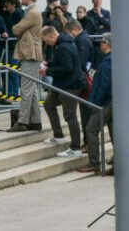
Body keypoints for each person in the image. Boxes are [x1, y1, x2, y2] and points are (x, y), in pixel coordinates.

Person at [40, 26, 85, 157]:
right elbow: (60, 62)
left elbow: (67, 68)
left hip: (70, 85)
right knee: (48, 104)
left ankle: (75, 148)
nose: (46, 43)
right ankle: (58, 135)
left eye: (46, 40)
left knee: (70, 115)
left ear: (51, 36)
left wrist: (47, 71)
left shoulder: (63, 47)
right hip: (61, 84)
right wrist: (48, 63)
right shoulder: (63, 44)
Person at [8, 0, 44, 132]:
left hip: (30, 54)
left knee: (26, 89)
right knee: (32, 89)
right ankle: (35, 121)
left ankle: (22, 121)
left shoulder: (32, 12)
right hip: (31, 53)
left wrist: (18, 30)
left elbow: (16, 29)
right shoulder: (32, 11)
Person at [79, 33, 113, 174]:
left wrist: (96, 103)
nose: (101, 45)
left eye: (102, 42)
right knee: (114, 132)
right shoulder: (114, 59)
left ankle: (94, 163)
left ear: (108, 44)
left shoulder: (108, 62)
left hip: (105, 103)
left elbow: (104, 85)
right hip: (112, 102)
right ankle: (118, 162)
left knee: (91, 129)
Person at [66, 20, 93, 147]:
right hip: (83, 79)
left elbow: (81, 63)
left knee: (85, 114)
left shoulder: (82, 41)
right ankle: (87, 142)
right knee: (84, 114)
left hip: (82, 81)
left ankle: (87, 143)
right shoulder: (83, 39)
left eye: (69, 33)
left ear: (75, 29)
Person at [2, 0, 24, 97]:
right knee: (12, 69)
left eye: (8, 5)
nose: (6, 7)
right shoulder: (13, 14)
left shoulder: (17, 14)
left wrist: (9, 35)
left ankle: (13, 93)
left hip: (13, 46)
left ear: (13, 4)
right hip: (13, 45)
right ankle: (11, 91)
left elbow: (17, 30)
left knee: (12, 69)